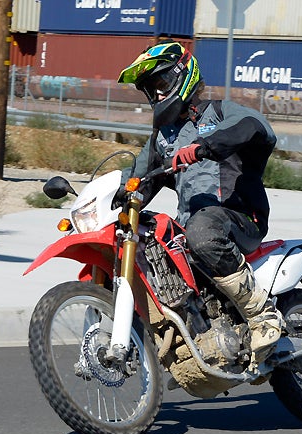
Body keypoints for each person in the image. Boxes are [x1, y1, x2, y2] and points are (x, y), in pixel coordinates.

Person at [117, 41, 283, 370]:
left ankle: (261, 312)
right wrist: (103, 196)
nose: (158, 96)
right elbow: (136, 178)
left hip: (239, 219)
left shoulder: (221, 112)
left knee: (201, 229)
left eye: (161, 85)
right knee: (144, 243)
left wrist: (205, 146)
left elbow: (256, 128)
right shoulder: (162, 138)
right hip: (191, 230)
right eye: (151, 91)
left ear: (184, 76)